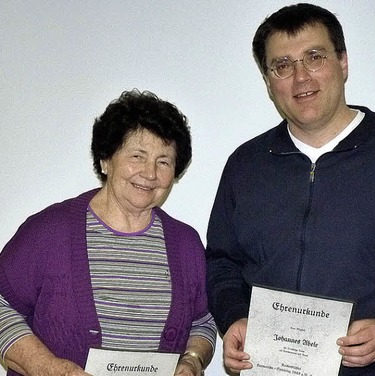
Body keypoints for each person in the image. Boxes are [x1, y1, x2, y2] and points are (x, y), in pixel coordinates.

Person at [205, 3, 375, 375]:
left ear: (343, 62)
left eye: (314, 57)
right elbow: (221, 262)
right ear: (268, 81)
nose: (300, 77)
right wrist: (233, 317)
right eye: (282, 65)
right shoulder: (245, 165)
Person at [0, 90, 216, 376]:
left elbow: (203, 322)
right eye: (137, 156)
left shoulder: (185, 244)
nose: (150, 173)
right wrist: (49, 368)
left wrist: (191, 360)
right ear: (106, 160)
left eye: (163, 161)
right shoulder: (49, 232)